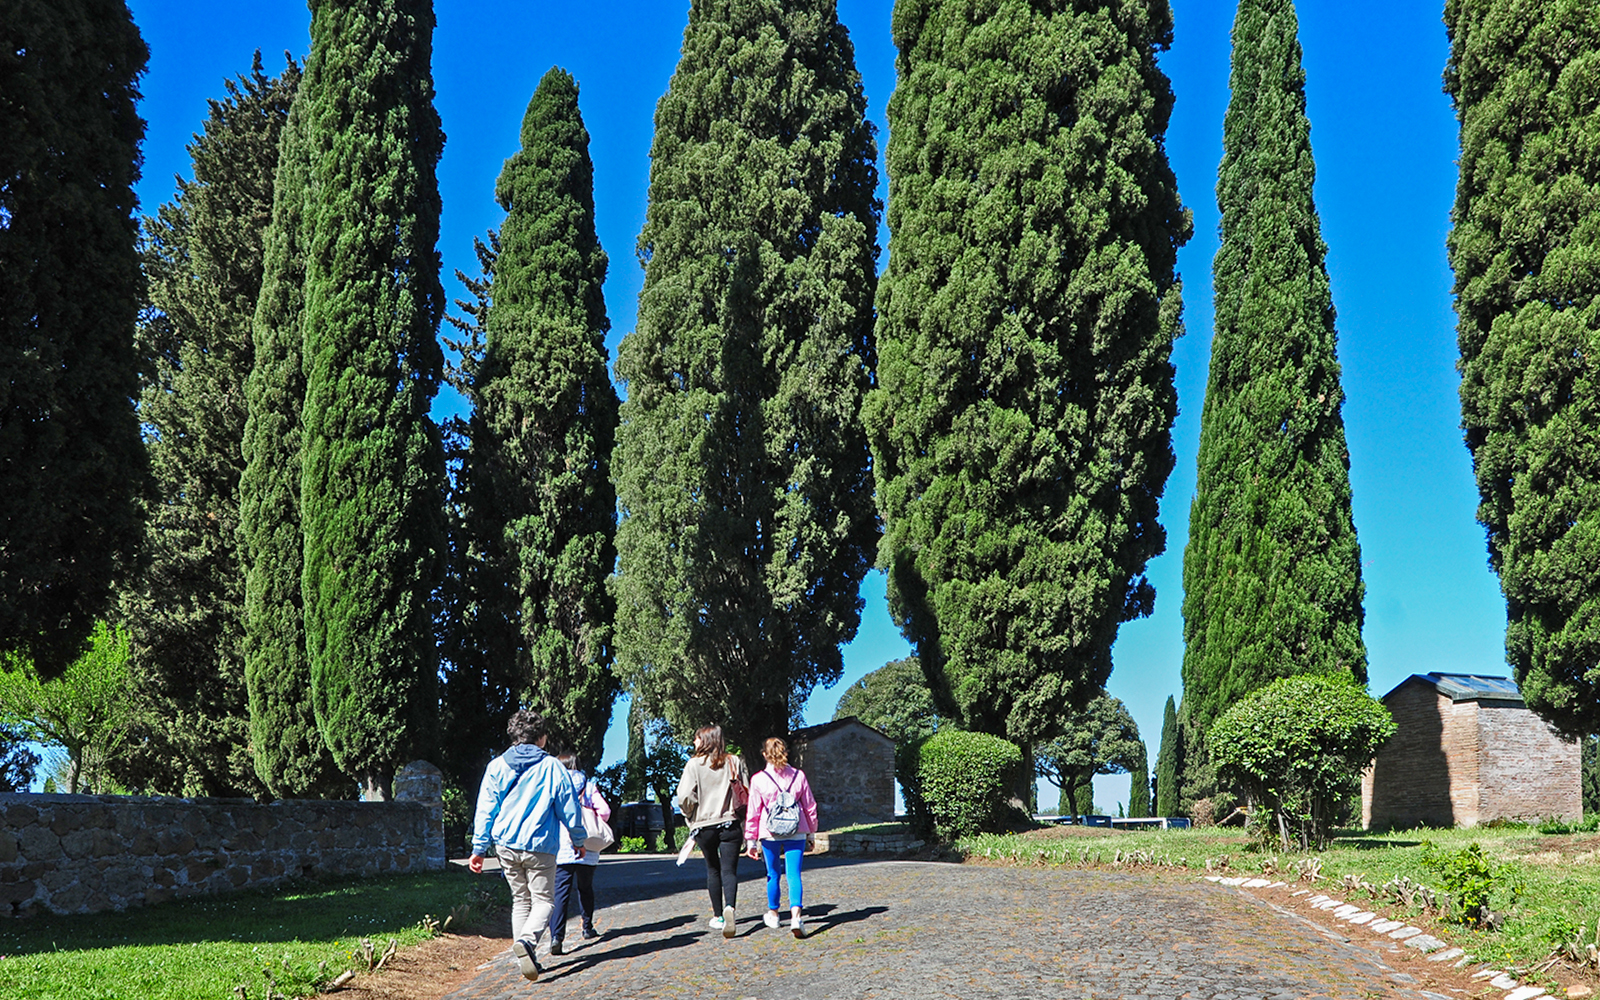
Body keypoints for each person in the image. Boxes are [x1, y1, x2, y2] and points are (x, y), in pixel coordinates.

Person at [469, 710, 588, 983]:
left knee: (520, 900)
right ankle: (527, 943)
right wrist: (578, 840)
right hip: (540, 845)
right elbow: (568, 808)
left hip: (506, 845)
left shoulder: (496, 766)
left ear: (513, 735)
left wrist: (478, 848)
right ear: (542, 738)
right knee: (545, 900)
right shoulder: (552, 767)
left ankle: (525, 956)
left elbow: (486, 809)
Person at [675, 724, 749, 939]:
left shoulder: (693, 765)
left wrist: (691, 815)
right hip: (730, 823)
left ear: (705, 740)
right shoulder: (734, 761)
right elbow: (745, 790)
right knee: (729, 871)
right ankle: (730, 908)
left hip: (704, 825)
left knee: (712, 869)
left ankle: (718, 916)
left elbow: (684, 796)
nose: (694, 742)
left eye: (696, 738)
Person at [743, 737, 818, 937]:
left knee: (773, 874)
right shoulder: (799, 776)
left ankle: (774, 914)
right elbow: (810, 806)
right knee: (794, 874)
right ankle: (796, 917)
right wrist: (811, 832)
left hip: (770, 833)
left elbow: (753, 812)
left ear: (764, 754)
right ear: (785, 752)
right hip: (797, 830)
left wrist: (750, 840)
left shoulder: (758, 779)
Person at [548, 751, 610, 954]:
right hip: (588, 847)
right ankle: (587, 927)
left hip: (562, 847)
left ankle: (556, 936)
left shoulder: (554, 786)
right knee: (585, 888)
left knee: (560, 893)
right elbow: (605, 812)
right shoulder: (589, 787)